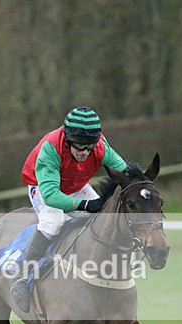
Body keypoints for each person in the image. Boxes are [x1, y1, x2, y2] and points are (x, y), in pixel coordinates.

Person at [10, 106, 130, 312]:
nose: (84, 152)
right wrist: (84, 205)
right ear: (67, 139)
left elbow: (124, 172)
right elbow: (51, 195)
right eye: (79, 147)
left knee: (103, 217)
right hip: (43, 186)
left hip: (76, 184)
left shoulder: (100, 146)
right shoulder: (51, 147)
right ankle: (23, 275)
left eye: (89, 147)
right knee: (53, 222)